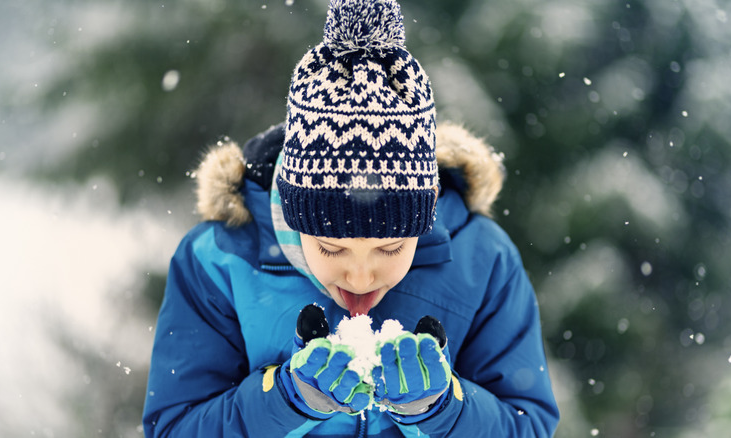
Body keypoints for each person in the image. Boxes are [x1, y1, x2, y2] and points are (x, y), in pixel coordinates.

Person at [142, 0, 560, 436]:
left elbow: (526, 426)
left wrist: (441, 411)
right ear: (289, 205)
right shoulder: (218, 262)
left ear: (429, 205)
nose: (360, 278)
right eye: (331, 247)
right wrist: (285, 400)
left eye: (391, 247)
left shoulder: (483, 260)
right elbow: (174, 428)